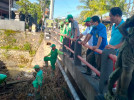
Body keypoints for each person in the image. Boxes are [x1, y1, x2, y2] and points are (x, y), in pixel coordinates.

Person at [105, 15, 134, 100]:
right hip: (129, 49)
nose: (110, 17)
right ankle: (122, 93)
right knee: (126, 71)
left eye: (111, 16)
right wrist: (128, 38)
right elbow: (122, 27)